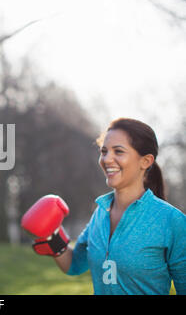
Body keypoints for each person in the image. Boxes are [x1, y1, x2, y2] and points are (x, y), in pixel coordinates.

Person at [22, 118, 186, 295]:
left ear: (145, 161)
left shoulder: (172, 221)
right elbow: (74, 264)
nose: (107, 159)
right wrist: (52, 236)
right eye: (104, 151)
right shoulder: (100, 212)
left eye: (118, 151)